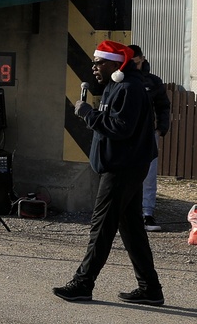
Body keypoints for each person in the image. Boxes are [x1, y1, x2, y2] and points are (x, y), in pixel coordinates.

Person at [53, 40, 163, 305]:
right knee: (132, 229)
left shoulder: (129, 88)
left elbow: (121, 128)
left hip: (123, 168)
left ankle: (82, 283)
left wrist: (89, 115)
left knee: (101, 227)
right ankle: (150, 288)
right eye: (94, 62)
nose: (94, 67)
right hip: (124, 165)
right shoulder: (117, 86)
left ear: (116, 64)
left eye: (99, 62)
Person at [129, 44, 172, 232]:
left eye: (135, 63)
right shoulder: (120, 80)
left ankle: (147, 213)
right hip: (127, 134)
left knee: (149, 174)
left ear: (142, 59)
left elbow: (163, 105)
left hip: (148, 134)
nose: (133, 66)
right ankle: (129, 212)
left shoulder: (153, 81)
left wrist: (161, 128)